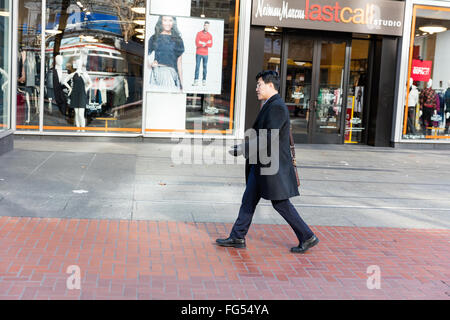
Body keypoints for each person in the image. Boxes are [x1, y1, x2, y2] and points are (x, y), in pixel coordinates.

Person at [216, 70, 319, 254]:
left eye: (259, 84)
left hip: (272, 167)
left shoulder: (277, 106)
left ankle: (307, 236)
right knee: (248, 199)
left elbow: (268, 137)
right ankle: (238, 236)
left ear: (270, 85)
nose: (257, 88)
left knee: (280, 203)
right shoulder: (270, 104)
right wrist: (245, 146)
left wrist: (243, 149)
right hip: (262, 164)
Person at [148, 15, 185, 92]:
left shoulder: (178, 40)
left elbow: (179, 64)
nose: (167, 23)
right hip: (158, 73)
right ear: (161, 21)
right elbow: (145, 56)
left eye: (170, 20)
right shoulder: (154, 38)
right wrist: (151, 64)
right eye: (165, 20)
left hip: (171, 74)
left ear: (173, 22)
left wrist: (181, 84)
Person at [193, 21, 213, 87]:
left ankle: (204, 81)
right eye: (205, 25)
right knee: (197, 67)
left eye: (207, 26)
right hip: (198, 53)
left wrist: (202, 42)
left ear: (209, 27)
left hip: (205, 54)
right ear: (203, 26)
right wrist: (206, 43)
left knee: (205, 67)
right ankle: (196, 81)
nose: (206, 27)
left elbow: (210, 45)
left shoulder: (210, 35)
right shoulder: (199, 33)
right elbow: (197, 43)